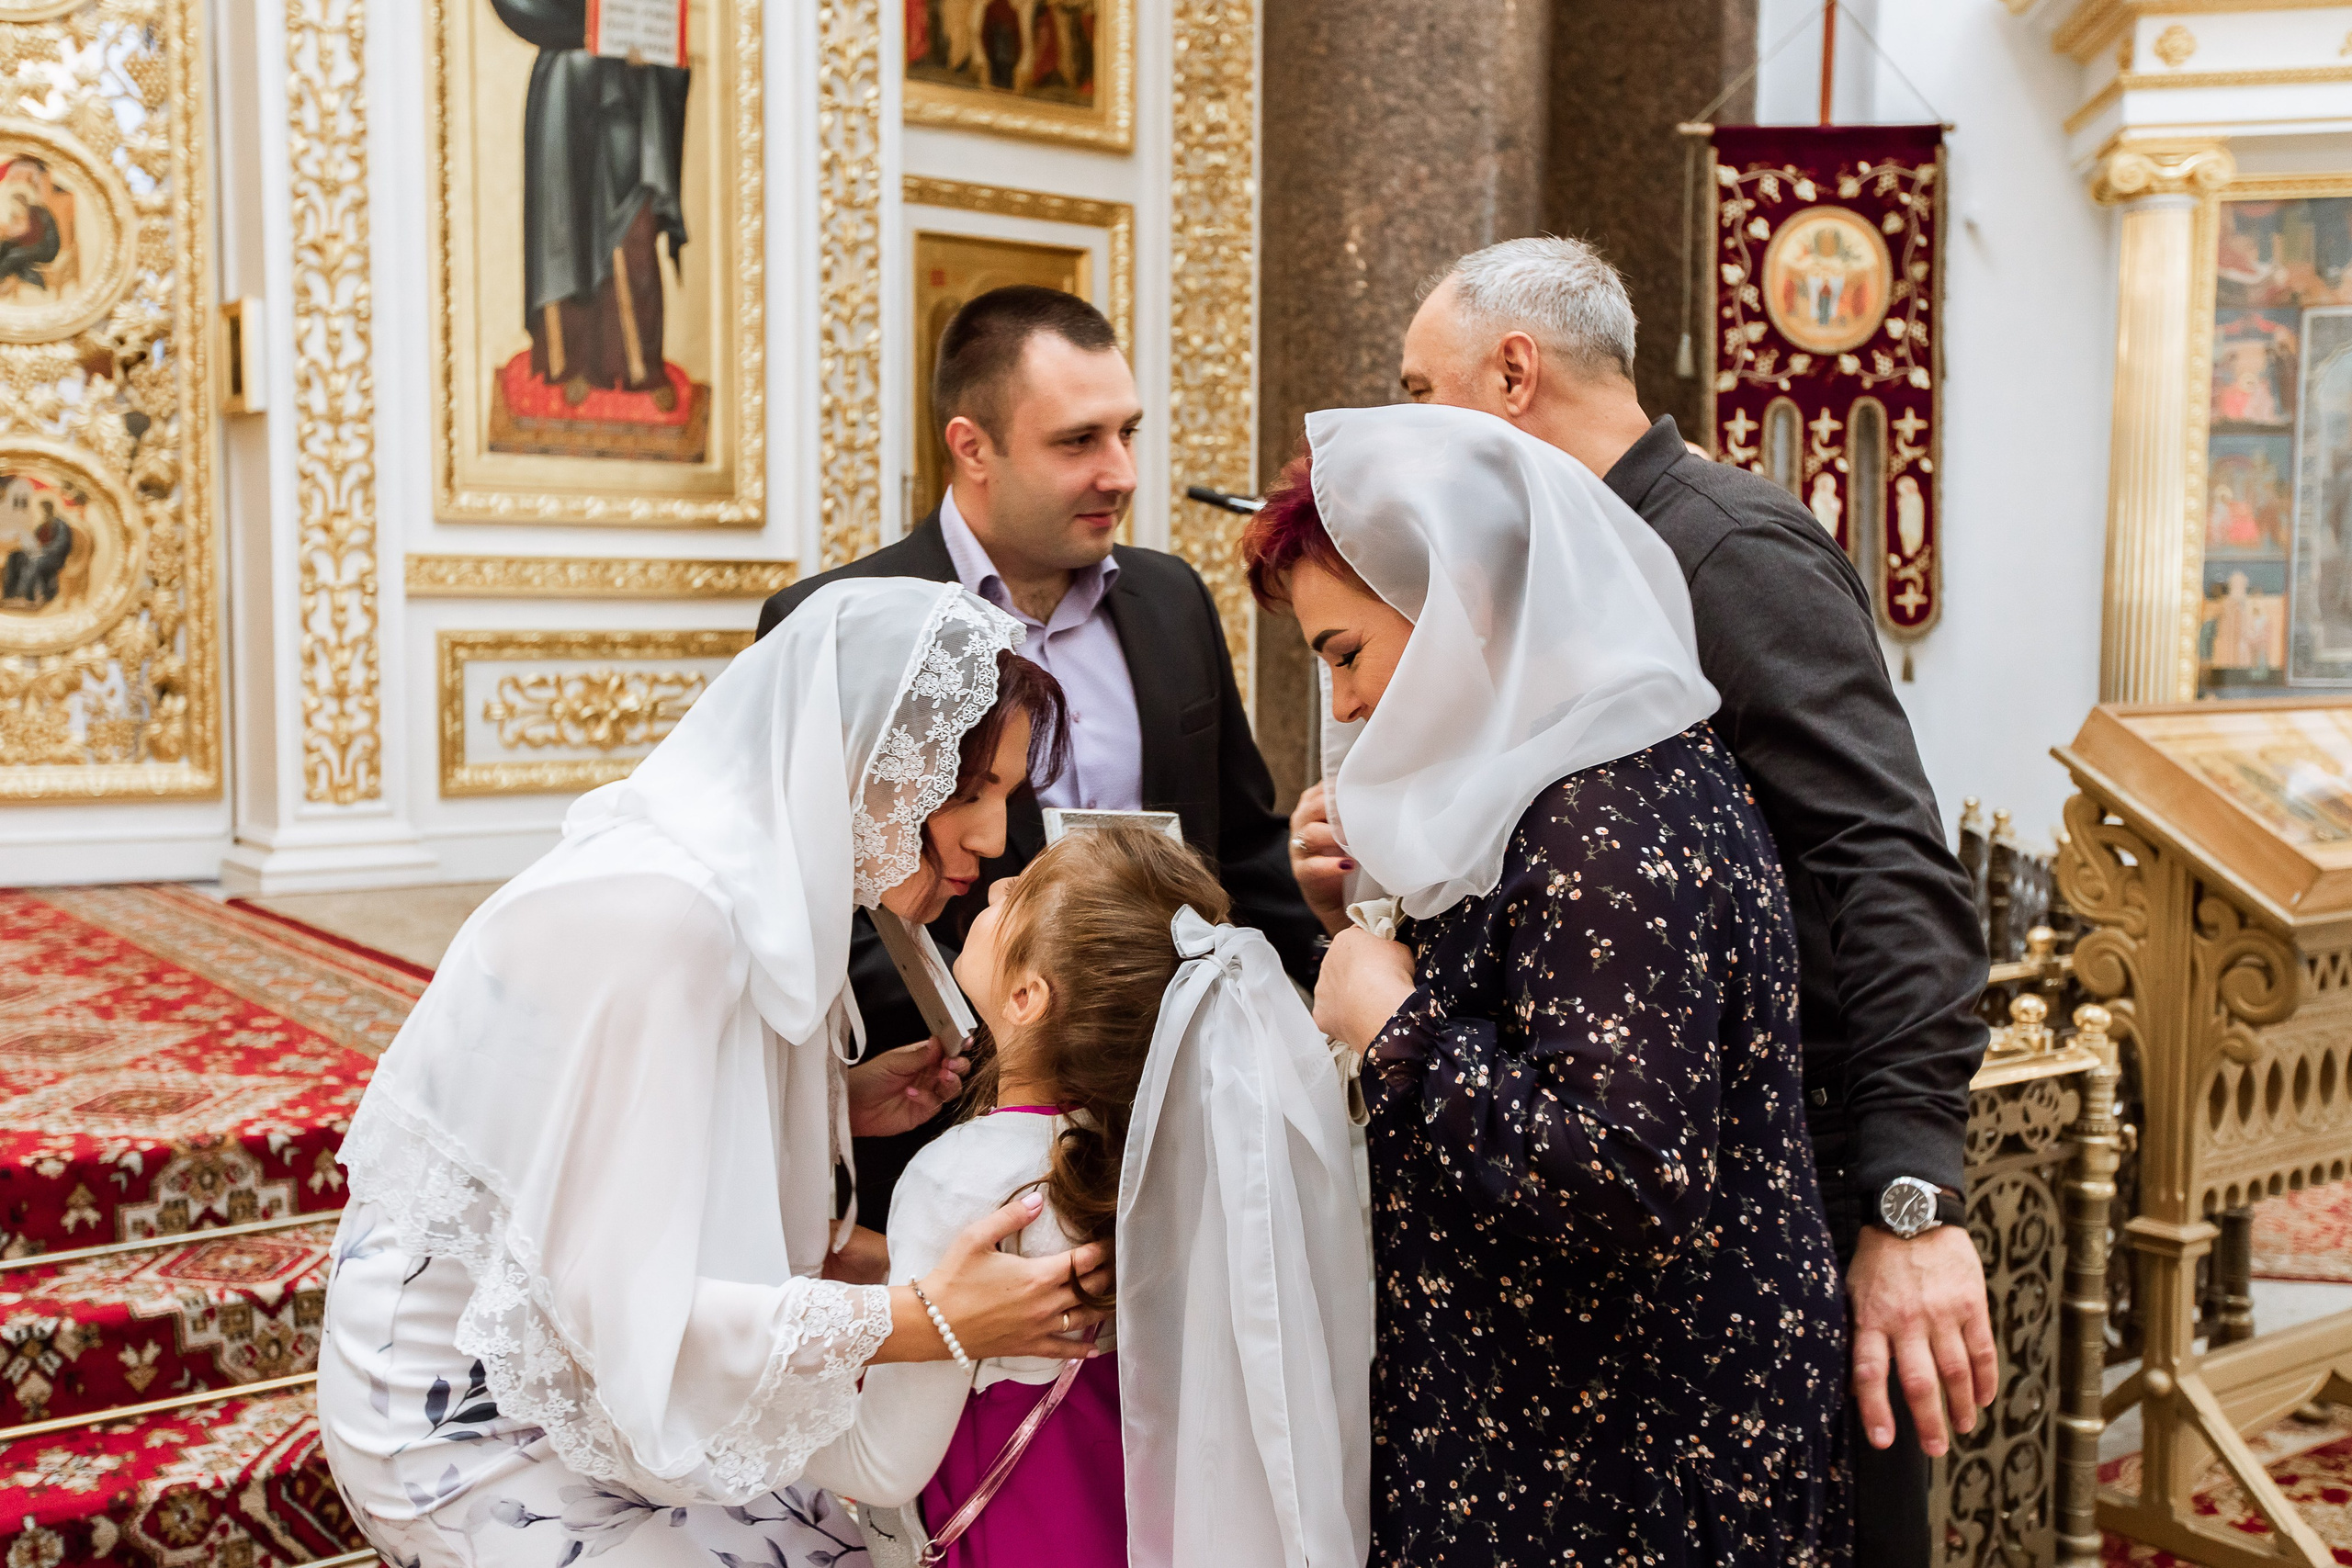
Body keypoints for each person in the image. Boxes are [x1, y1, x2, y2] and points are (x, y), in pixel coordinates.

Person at [1329, 233, 1992, 1564]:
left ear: (1513, 372)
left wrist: (1908, 1192)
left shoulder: (1721, 546)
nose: (1404, 426)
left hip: (1759, 1207)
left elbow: (1887, 863)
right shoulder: (1553, 571)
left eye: (1418, 384)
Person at [319, 580, 1114, 1568]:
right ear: (858, 761)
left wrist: (823, 1110)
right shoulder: (668, 914)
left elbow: (614, 1144)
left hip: (595, 1353)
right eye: (966, 793)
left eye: (1002, 794)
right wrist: (927, 1321)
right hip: (469, 1403)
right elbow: (615, 1318)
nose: (993, 840)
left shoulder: (759, 876)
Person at [1247, 402, 1848, 1563]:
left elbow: (1630, 1172)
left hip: (1627, 1446)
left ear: (1461, 606)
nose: (1346, 705)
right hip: (1571, 1416)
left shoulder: (1599, 811)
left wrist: (1393, 1025)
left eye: (1347, 654)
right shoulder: (1572, 765)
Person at [758, 285, 1323, 1217]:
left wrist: (1320, 1016)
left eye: (1127, 434)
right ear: (971, 447)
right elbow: (819, 900)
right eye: (1077, 442)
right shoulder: (838, 623)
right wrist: (1005, 1047)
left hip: (1183, 1112)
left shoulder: (1172, 599)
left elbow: (1243, 849)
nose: (1121, 472)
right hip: (951, 1130)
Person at [802, 825, 1368, 1568]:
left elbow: (883, 1463)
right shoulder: (1173, 1162)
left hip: (1012, 1537)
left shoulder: (962, 1180)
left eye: (1019, 891)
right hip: (1129, 1528)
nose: (997, 883)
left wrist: (765, 1386)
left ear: (1029, 995)